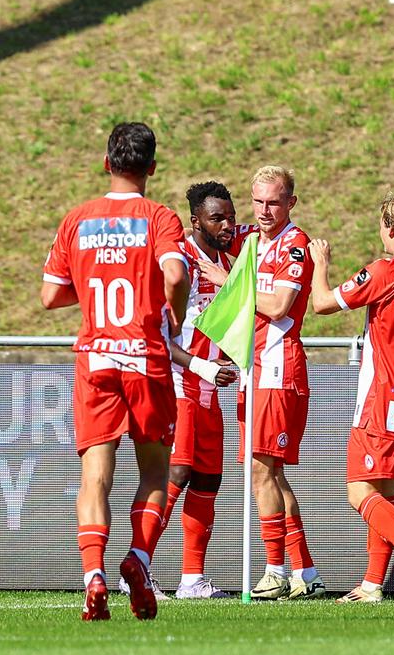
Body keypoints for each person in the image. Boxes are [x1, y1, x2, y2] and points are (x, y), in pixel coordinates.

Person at [41, 122, 189, 621]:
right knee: (154, 471)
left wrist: (92, 279)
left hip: (97, 358)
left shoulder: (77, 220)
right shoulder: (159, 218)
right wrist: (175, 311)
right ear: (151, 167)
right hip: (144, 358)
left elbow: (50, 294)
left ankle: (93, 576)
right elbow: (176, 274)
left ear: (107, 163)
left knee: (94, 478)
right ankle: (139, 558)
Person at [307, 193, 394, 604]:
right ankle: (372, 584)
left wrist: (320, 266)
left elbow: (322, 303)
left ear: (390, 227)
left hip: (381, 399)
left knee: (359, 493)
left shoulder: (387, 270)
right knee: (386, 491)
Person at [242, 166, 322, 599]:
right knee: (269, 473)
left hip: (278, 367)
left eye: (273, 202)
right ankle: (304, 572)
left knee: (262, 469)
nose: (264, 210)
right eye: (258, 201)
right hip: (253, 367)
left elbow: (278, 305)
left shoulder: (295, 245)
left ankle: (274, 569)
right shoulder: (253, 241)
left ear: (291, 202)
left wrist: (233, 285)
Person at [166, 182, 243, 599]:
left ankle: (191, 579)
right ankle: (134, 566)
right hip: (182, 383)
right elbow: (160, 334)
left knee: (208, 481)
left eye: (231, 216)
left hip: (212, 387)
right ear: (196, 221)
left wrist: (227, 362)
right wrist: (200, 365)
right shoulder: (181, 262)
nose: (228, 224)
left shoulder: (227, 263)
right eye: (218, 218)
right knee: (176, 472)